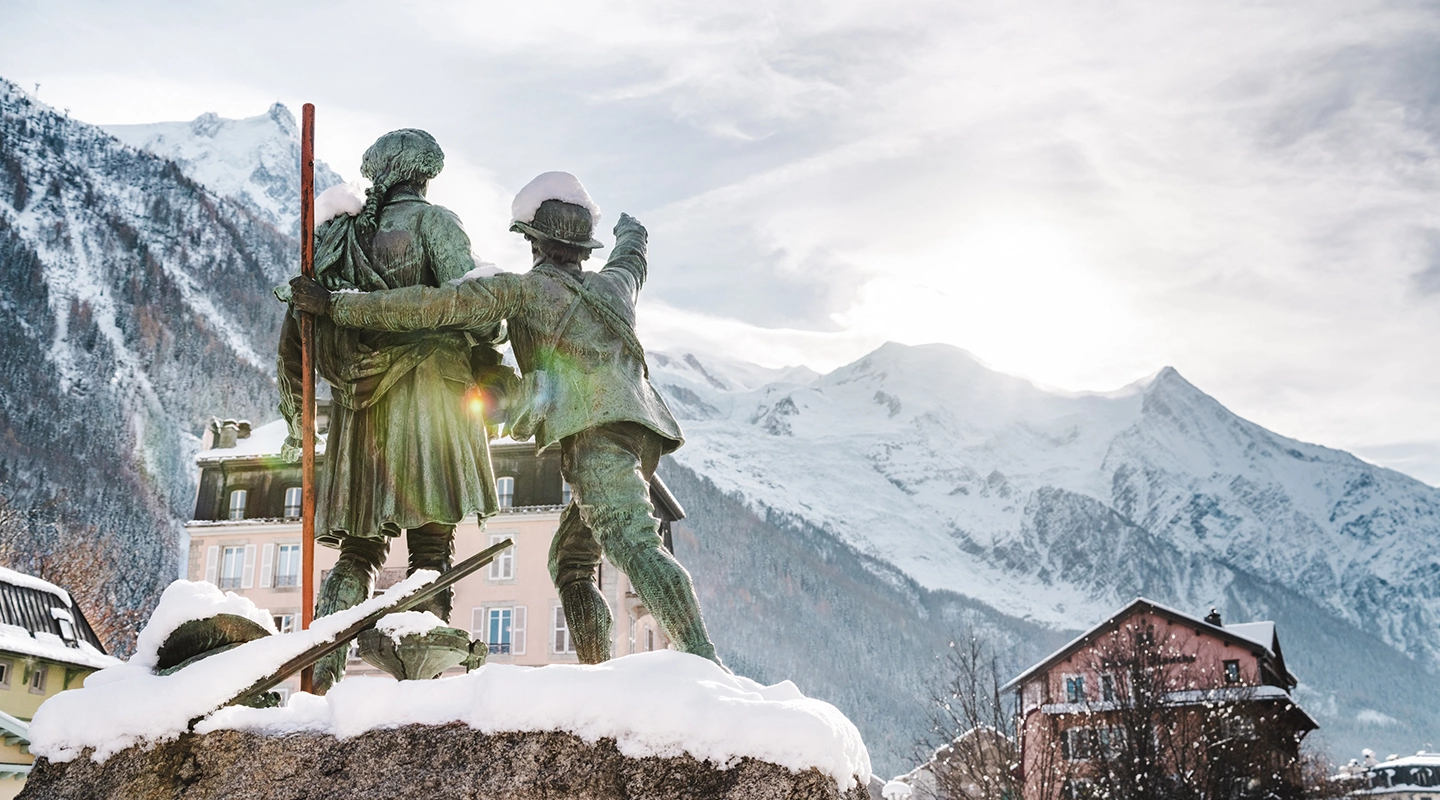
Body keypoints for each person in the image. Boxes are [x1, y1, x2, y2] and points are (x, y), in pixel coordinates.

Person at [289, 172, 722, 668]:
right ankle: (598, 672)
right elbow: (633, 260)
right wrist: (632, 231)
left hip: (593, 433)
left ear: (534, 241)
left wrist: (338, 306)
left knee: (633, 542)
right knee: (571, 563)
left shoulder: (519, 291)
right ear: (582, 248)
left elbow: (429, 305)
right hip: (643, 431)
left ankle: (704, 660)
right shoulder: (615, 286)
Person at [277, 129, 505, 693]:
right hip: (433, 397)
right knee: (430, 544)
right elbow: (473, 309)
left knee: (358, 548)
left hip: (363, 410)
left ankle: (319, 674)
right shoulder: (436, 224)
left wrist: (298, 415)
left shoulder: (340, 239)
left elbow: (299, 332)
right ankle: (421, 682)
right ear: (426, 172)